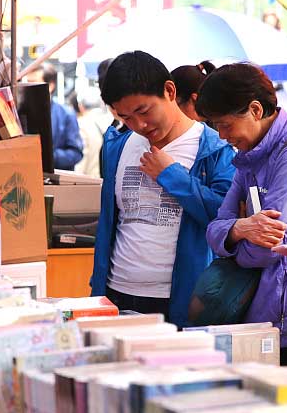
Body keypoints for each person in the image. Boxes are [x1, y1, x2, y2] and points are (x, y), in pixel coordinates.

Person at [90, 51, 236, 325]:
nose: (139, 125)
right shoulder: (117, 145)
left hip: (183, 299)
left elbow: (225, 217)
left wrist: (171, 175)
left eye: (144, 111)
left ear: (170, 90)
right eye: (126, 117)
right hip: (116, 292)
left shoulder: (217, 148)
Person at [202, 63, 287, 365]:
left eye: (225, 125)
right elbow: (214, 231)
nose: (222, 136)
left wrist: (232, 242)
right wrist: (242, 228)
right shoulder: (248, 158)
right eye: (215, 127)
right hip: (255, 317)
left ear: (255, 110)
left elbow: (268, 251)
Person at [24, 63, 84, 170]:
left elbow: (76, 153)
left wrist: (48, 156)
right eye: (27, 83)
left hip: (55, 180)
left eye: (34, 83)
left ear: (51, 86)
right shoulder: (21, 111)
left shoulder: (66, 114)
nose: (29, 88)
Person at [72, 87, 114, 179]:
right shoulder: (112, 122)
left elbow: (81, 161)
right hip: (110, 183)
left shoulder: (81, 124)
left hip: (90, 184)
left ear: (81, 106)